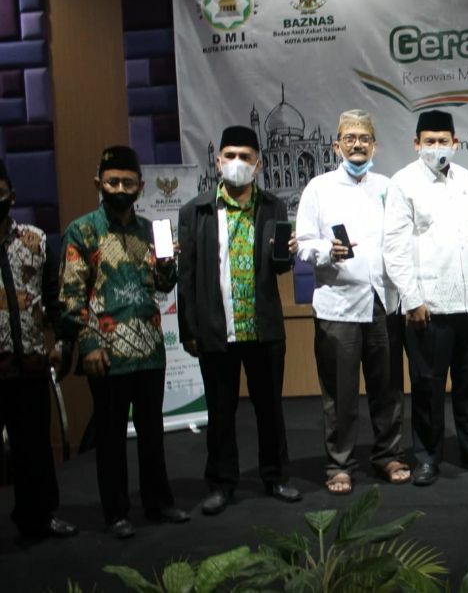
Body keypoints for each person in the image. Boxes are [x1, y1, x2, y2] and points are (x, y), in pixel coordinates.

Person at [60, 145, 190, 539]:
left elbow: (163, 286)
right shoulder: (82, 231)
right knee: (111, 437)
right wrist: (87, 344)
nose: (120, 189)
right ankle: (116, 512)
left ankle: (158, 502)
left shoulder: (150, 230)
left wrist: (167, 265)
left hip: (149, 348)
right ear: (98, 183)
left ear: (140, 187)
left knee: (152, 433)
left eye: (128, 183)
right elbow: (70, 295)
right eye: (113, 181)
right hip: (106, 352)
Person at [177, 125, 301, 516]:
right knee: (220, 412)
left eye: (245, 157)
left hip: (262, 327)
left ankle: (276, 477)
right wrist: (188, 329)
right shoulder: (196, 211)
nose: (237, 163)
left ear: (258, 165)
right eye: (229, 156)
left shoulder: (273, 207)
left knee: (270, 409)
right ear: (217, 162)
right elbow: (186, 275)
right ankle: (221, 483)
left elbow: (279, 268)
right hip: (217, 328)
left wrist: (288, 253)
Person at [383, 110, 468, 486]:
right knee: (427, 386)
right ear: (416, 144)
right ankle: (427, 458)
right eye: (429, 141)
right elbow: (394, 248)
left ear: (456, 143)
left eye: (443, 140)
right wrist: (411, 298)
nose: (436, 147)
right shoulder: (403, 183)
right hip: (427, 306)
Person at [296, 110, 409, 492]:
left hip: (383, 302)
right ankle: (339, 465)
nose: (357, 144)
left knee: (388, 387)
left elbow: (399, 240)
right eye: (350, 138)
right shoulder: (318, 188)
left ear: (374, 145)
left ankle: (388, 455)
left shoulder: (388, 187)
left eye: (364, 138)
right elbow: (304, 243)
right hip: (338, 305)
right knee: (340, 392)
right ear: (336, 145)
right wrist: (328, 251)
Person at [0, 161, 78, 540]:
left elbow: (55, 297)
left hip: (30, 361)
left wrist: (62, 343)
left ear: (12, 196)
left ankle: (41, 516)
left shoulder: (37, 240)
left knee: (35, 448)